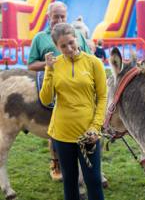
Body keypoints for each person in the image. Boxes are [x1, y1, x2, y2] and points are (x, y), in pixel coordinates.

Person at [40, 23, 107, 200]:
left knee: (93, 181)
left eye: (71, 42)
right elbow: (46, 99)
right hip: (61, 133)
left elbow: (102, 98)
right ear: (56, 46)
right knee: (69, 181)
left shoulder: (94, 63)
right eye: (63, 46)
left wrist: (95, 127)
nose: (69, 48)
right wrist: (48, 71)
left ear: (77, 38)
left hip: (87, 132)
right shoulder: (54, 65)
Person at [27, 1, 91, 181]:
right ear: (48, 17)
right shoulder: (40, 38)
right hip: (55, 88)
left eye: (63, 16)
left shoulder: (77, 35)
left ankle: (89, 165)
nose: (59, 19)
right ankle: (56, 162)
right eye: (56, 16)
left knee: (85, 122)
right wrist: (51, 63)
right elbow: (31, 65)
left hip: (79, 86)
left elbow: (90, 59)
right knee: (55, 124)